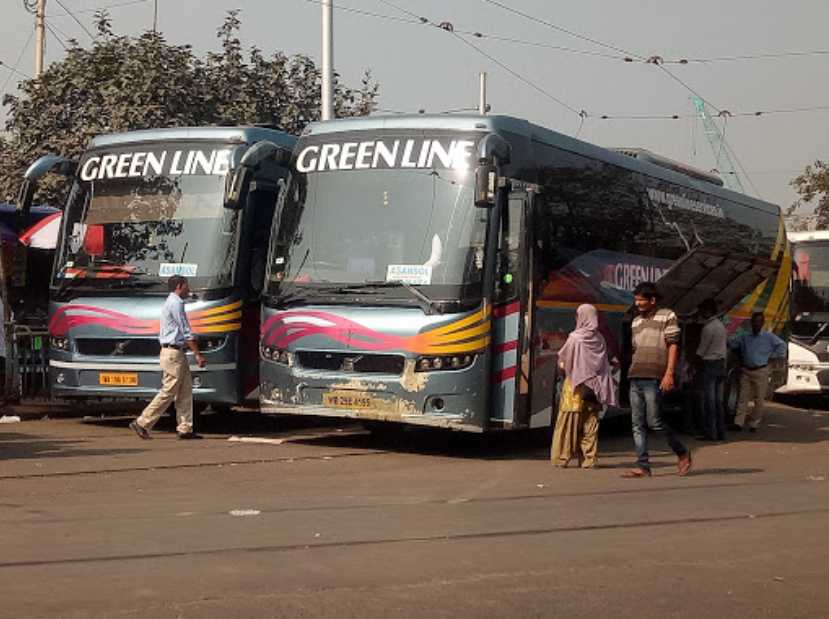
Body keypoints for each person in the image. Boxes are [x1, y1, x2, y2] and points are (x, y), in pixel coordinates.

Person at [623, 282, 692, 478]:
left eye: (641, 300)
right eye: (636, 300)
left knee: (655, 422)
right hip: (635, 375)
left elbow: (673, 346)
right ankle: (643, 466)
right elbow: (636, 349)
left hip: (655, 377)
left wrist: (669, 373)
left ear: (652, 300)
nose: (637, 303)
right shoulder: (635, 322)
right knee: (637, 423)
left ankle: (682, 452)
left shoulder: (667, 316)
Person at [130, 275, 206, 440]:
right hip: (173, 354)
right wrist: (198, 354)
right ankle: (142, 422)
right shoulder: (176, 303)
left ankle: (185, 428)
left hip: (176, 352)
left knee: (185, 391)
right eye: (187, 286)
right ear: (179, 286)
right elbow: (186, 331)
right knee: (169, 391)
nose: (189, 289)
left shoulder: (171, 301)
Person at [551, 304, 618, 468]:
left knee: (568, 423)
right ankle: (588, 460)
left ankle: (562, 458)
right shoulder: (600, 339)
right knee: (590, 424)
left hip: (575, 387)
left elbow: (563, 362)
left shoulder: (575, 338)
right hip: (595, 388)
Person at [728, 312, 786, 433]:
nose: (756, 324)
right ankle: (738, 423)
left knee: (759, 399)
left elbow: (782, 345)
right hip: (746, 370)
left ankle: (754, 423)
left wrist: (772, 357)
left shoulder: (768, 337)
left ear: (762, 323)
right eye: (754, 321)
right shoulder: (745, 337)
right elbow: (733, 344)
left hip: (761, 370)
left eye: (759, 322)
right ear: (751, 323)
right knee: (742, 398)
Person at [696, 299, 727, 441]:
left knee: (710, 401)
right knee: (718, 402)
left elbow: (702, 350)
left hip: (710, 364)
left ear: (708, 311)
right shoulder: (720, 326)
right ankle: (721, 432)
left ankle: (711, 433)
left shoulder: (708, 328)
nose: (700, 313)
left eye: (702, 310)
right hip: (721, 364)